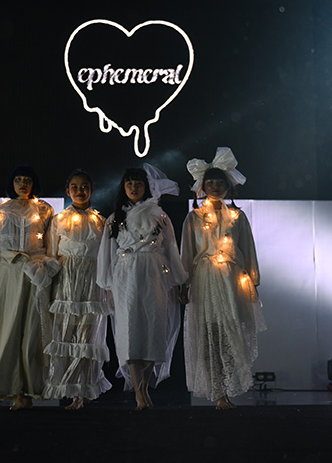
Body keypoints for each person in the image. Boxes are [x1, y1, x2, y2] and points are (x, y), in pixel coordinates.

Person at [180, 147, 266, 410]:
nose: (215, 187)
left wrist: (253, 281)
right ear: (203, 186)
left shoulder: (238, 216)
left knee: (232, 332)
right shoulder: (194, 217)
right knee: (209, 332)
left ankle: (226, 389)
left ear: (228, 186)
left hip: (232, 280)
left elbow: (248, 249)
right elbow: (187, 252)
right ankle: (218, 391)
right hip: (205, 279)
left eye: (220, 182)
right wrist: (184, 283)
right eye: (211, 183)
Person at [97, 164, 187, 411]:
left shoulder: (160, 217)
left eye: (138, 183)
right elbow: (107, 254)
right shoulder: (115, 219)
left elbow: (171, 250)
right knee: (129, 330)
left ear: (146, 187)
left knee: (153, 330)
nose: (133, 187)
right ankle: (138, 393)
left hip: (154, 274)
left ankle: (144, 387)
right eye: (129, 183)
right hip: (125, 276)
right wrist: (107, 287)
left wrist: (178, 282)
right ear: (123, 187)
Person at [0, 165, 58, 410]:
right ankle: (13, 391)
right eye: (18, 180)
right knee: (9, 327)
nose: (23, 184)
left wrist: (49, 271)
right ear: (11, 183)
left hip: (36, 271)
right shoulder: (1, 210)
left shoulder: (45, 209)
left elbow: (51, 245)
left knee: (34, 329)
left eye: (27, 180)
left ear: (34, 183)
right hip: (10, 272)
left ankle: (31, 389)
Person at [42, 170, 112, 410]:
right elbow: (51, 253)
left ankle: (83, 391)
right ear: (67, 190)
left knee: (88, 335)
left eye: (84, 186)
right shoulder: (59, 220)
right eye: (74, 187)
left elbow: (106, 255)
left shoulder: (101, 222)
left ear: (92, 189)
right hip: (67, 280)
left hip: (92, 280)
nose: (79, 191)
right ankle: (70, 390)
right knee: (65, 332)